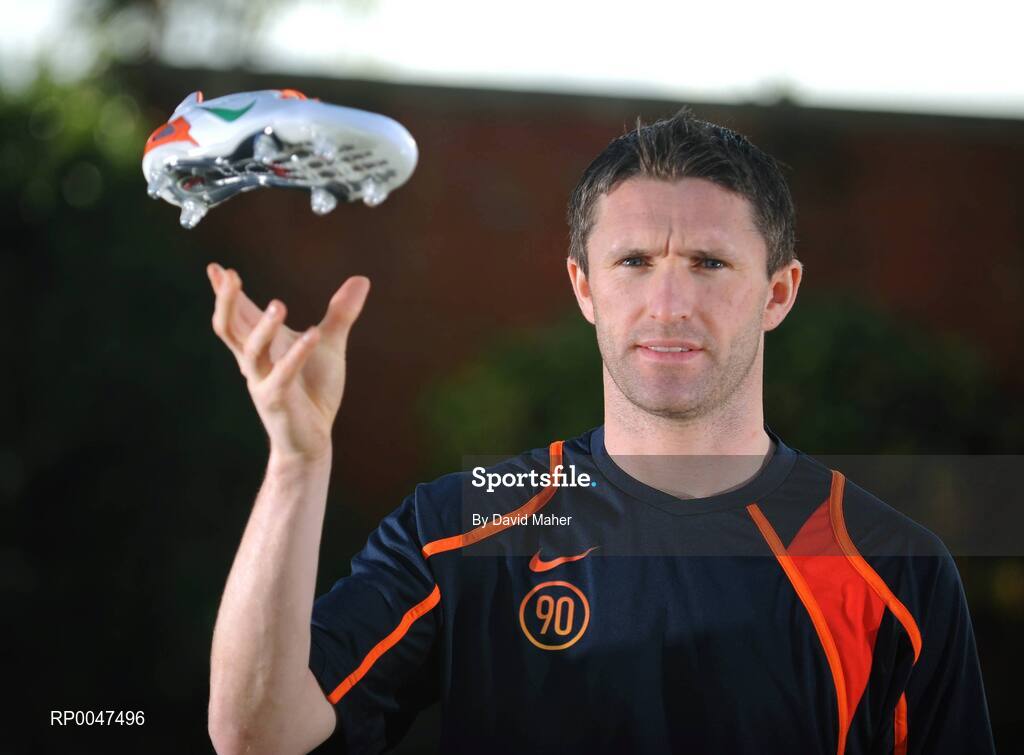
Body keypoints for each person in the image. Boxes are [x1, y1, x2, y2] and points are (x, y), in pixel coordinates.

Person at [206, 108, 996, 755]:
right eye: (633, 262)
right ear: (584, 286)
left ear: (779, 292)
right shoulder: (472, 527)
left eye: (710, 263)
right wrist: (297, 462)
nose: (668, 303)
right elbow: (255, 736)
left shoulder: (893, 568)